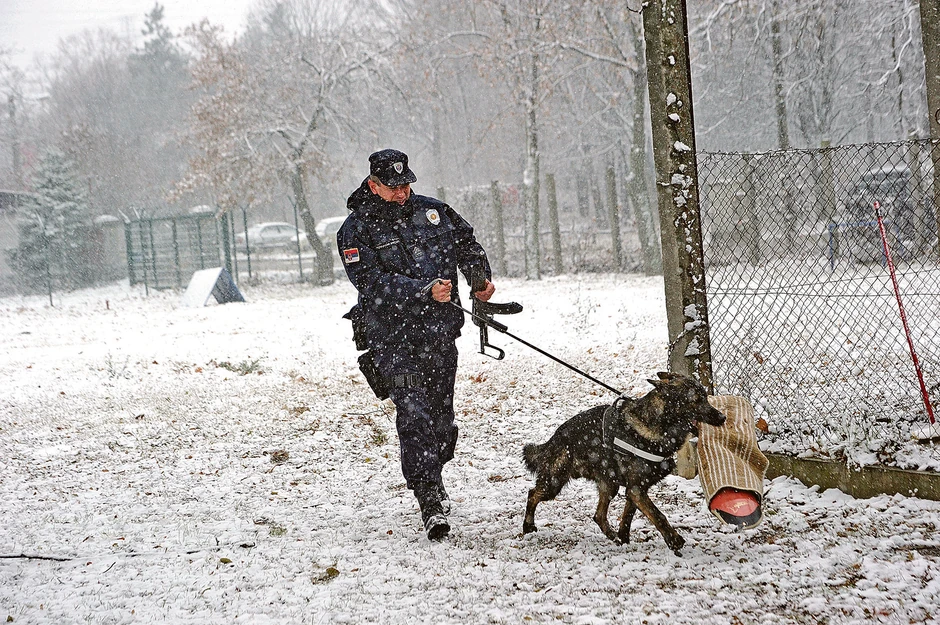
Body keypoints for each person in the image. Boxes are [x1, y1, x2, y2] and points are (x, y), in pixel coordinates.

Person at [337, 148, 496, 541]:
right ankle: (428, 498)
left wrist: (479, 279)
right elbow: (370, 285)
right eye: (393, 187)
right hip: (392, 336)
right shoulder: (355, 231)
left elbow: (467, 243)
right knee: (413, 414)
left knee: (442, 420)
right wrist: (423, 290)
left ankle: (435, 470)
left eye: (406, 183)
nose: (402, 192)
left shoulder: (434, 211)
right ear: (373, 185)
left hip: (440, 332)